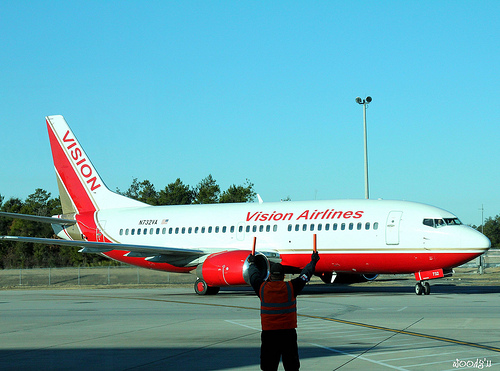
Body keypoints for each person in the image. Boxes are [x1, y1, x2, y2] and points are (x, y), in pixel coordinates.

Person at [248, 252, 320, 371]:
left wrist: (252, 263)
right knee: (291, 366)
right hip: (288, 334)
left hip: (269, 334)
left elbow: (253, 276)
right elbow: (305, 275)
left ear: (270, 276)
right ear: (283, 276)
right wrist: (313, 262)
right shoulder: (291, 287)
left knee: (268, 366)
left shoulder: (262, 288)